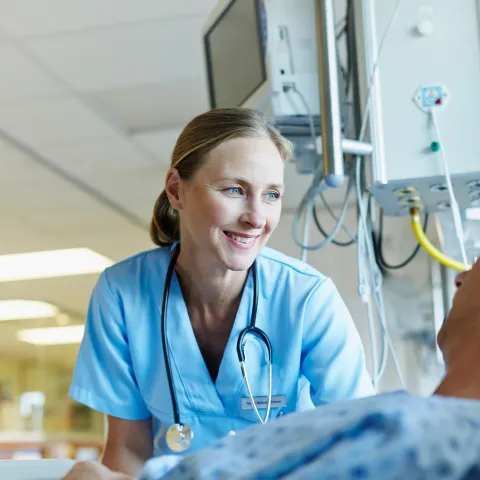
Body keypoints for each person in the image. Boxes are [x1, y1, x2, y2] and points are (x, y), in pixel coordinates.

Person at [65, 108, 374, 478]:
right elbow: (129, 447)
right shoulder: (122, 294)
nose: (257, 217)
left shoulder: (306, 298)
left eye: (272, 194)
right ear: (176, 190)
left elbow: (363, 441)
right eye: (234, 190)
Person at [64, 259, 480, 480]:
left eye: (476, 267)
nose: (460, 275)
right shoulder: (396, 421)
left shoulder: (406, 433)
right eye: (232, 189)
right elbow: (127, 446)